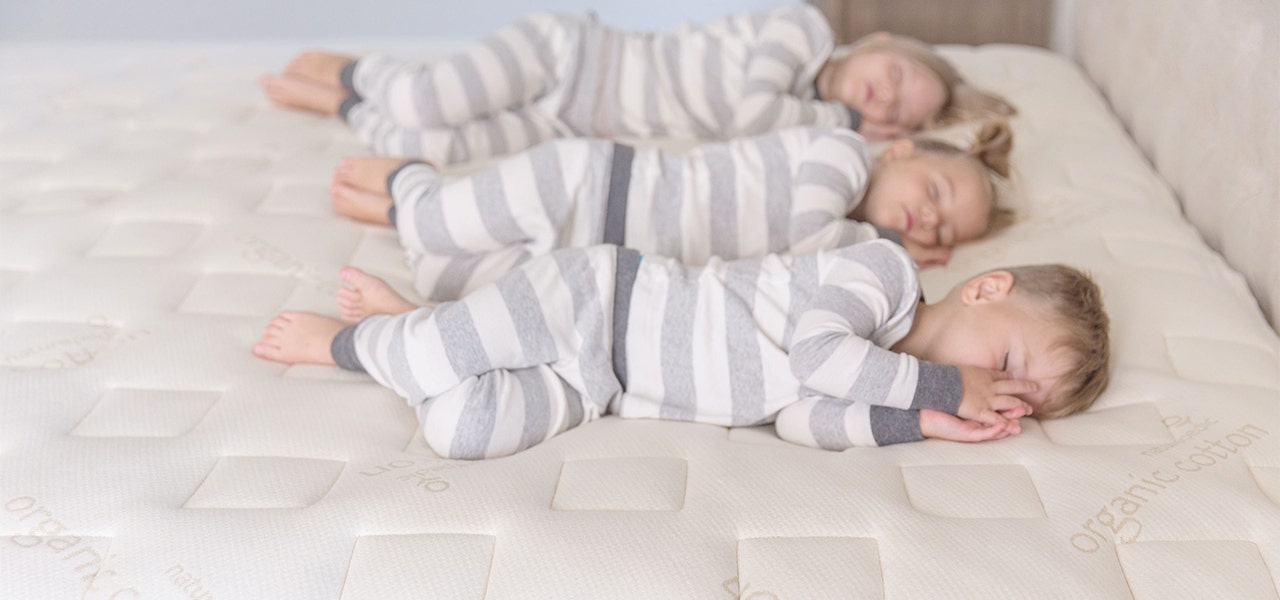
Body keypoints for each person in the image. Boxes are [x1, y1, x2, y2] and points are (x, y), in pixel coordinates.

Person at [252, 239, 1110, 459]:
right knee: (453, 345)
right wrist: (941, 383)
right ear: (985, 288)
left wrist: (922, 422)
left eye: (1015, 400)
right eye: (1006, 366)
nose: (992, 391)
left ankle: (424, 325)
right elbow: (816, 356)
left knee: (460, 430)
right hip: (603, 297)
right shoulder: (880, 273)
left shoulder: (894, 390)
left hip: (604, 384)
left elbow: (806, 418)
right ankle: (359, 343)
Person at [327, 120, 1013, 303]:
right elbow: (810, 241)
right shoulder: (840, 155)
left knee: (444, 280)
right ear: (898, 153)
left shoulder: (850, 230)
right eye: (934, 195)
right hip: (588, 185)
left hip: (593, 254)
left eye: (947, 231)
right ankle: (412, 184)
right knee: (429, 224)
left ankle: (414, 213)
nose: (929, 223)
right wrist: (884, 244)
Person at [260, 4, 1015, 166]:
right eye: (892, 79)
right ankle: (359, 69)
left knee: (428, 143)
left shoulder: (812, 121)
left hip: (574, 123)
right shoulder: (803, 31)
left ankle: (344, 101)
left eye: (892, 112)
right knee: (425, 99)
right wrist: (845, 123)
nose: (878, 101)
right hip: (569, 58)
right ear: (877, 44)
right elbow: (751, 114)